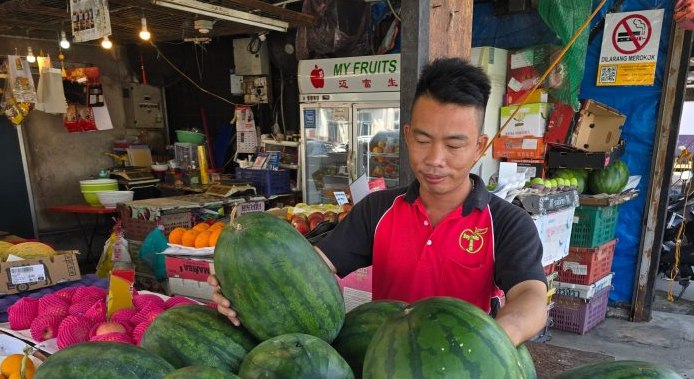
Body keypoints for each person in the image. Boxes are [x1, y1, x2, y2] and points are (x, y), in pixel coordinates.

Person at [210, 57, 548, 345]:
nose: (435, 158)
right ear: (406, 135)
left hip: (460, 374)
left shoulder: (506, 222)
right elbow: (311, 270)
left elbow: (529, 296)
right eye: (422, 139)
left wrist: (490, 343)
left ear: (479, 147)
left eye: (455, 145)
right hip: (382, 370)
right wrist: (243, 286)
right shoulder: (377, 209)